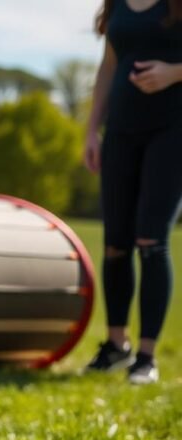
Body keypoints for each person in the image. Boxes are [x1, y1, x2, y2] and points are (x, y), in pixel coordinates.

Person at [84, 0, 182, 384]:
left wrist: (173, 73)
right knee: (116, 243)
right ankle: (116, 346)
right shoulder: (116, 3)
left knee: (150, 240)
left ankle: (146, 356)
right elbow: (108, 66)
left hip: (172, 132)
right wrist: (92, 129)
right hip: (121, 132)